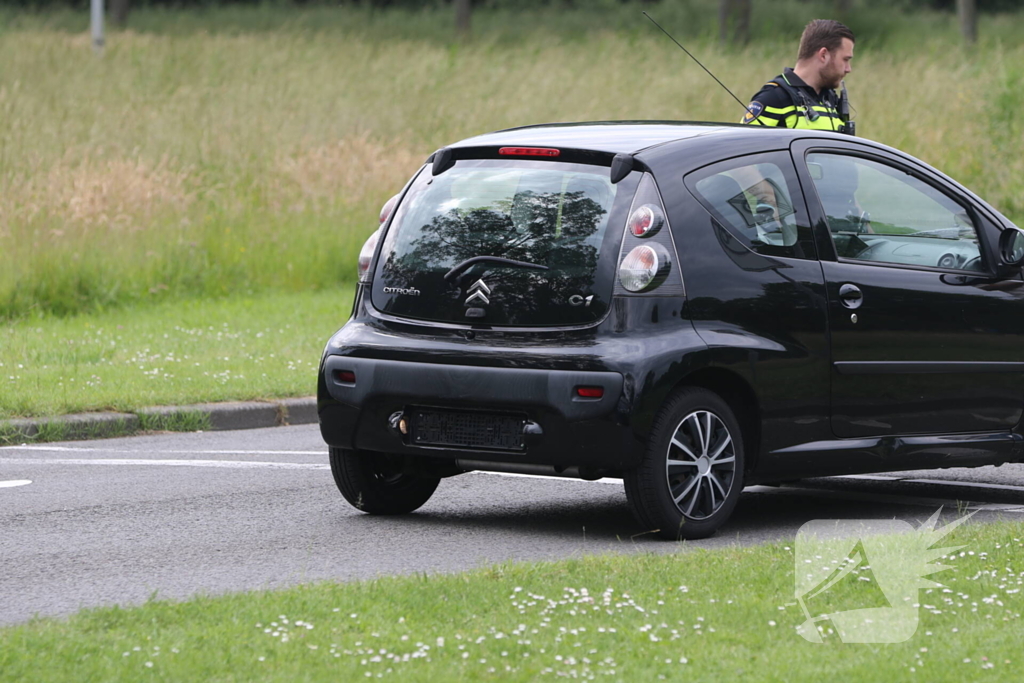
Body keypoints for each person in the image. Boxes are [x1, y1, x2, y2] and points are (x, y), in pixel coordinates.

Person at [741, 19, 854, 131]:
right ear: (823, 55)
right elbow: (745, 145)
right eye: (845, 59)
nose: (848, 69)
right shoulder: (773, 98)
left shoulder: (831, 100)